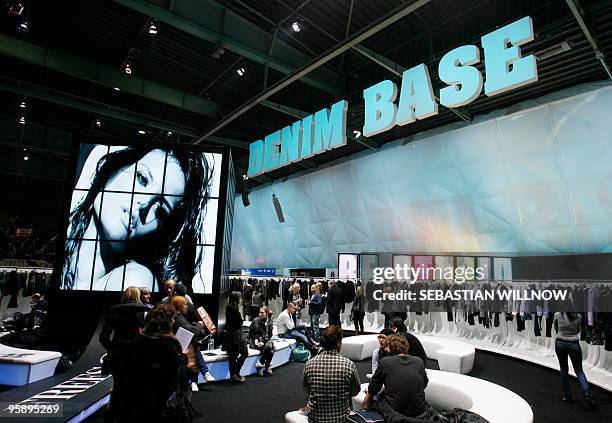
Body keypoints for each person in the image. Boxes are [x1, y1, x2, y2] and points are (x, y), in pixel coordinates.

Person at [60, 146, 215, 293]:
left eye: (160, 209)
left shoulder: (134, 279)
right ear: (115, 167)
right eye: (142, 178)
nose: (143, 203)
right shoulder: (66, 257)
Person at [112, 303, 185, 422]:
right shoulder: (170, 346)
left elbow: (123, 370)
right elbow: (174, 381)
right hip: (155, 404)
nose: (173, 321)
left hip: (130, 401)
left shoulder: (137, 341)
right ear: (168, 322)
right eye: (172, 318)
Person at [301, 325, 361, 423]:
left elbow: (307, 389)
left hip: (315, 418)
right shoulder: (348, 364)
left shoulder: (309, 364)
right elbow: (355, 391)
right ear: (338, 343)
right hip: (340, 418)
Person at [362, 334, 430, 420]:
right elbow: (424, 384)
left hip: (396, 413)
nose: (385, 349)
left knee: (375, 399)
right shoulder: (419, 361)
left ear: (393, 348)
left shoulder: (385, 362)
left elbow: (374, 387)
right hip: (420, 411)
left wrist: (365, 403)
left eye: (387, 346)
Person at [99, 286, 149, 375]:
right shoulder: (145, 310)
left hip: (118, 349)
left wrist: (110, 347)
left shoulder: (114, 310)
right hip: (137, 350)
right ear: (138, 296)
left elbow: (104, 334)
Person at [170, 296, 215, 391]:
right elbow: (190, 331)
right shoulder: (179, 318)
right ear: (180, 306)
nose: (186, 307)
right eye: (185, 305)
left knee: (195, 349)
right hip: (180, 349)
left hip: (181, 347)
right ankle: (202, 374)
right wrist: (200, 325)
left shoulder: (177, 316)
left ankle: (198, 378)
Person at [554, 312, 595, 409]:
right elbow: (577, 330)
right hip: (574, 344)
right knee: (579, 371)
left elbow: (556, 328)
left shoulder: (557, 315)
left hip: (560, 343)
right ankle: (587, 393)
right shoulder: (578, 316)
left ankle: (568, 395)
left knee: (564, 369)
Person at [224, 291, 249, 383]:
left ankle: (234, 374)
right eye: (240, 297)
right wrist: (241, 318)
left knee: (234, 355)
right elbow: (240, 322)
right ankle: (234, 374)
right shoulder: (234, 308)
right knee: (241, 353)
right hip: (235, 334)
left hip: (232, 333)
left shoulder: (229, 306)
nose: (241, 299)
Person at [248, 306, 275, 376]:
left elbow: (269, 335)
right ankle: (267, 365)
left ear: (267, 314)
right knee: (270, 349)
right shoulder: (255, 320)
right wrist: (256, 340)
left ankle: (260, 364)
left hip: (264, 341)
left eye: (262, 313)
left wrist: (263, 342)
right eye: (259, 312)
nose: (260, 314)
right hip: (254, 341)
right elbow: (250, 334)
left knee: (270, 348)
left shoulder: (269, 321)